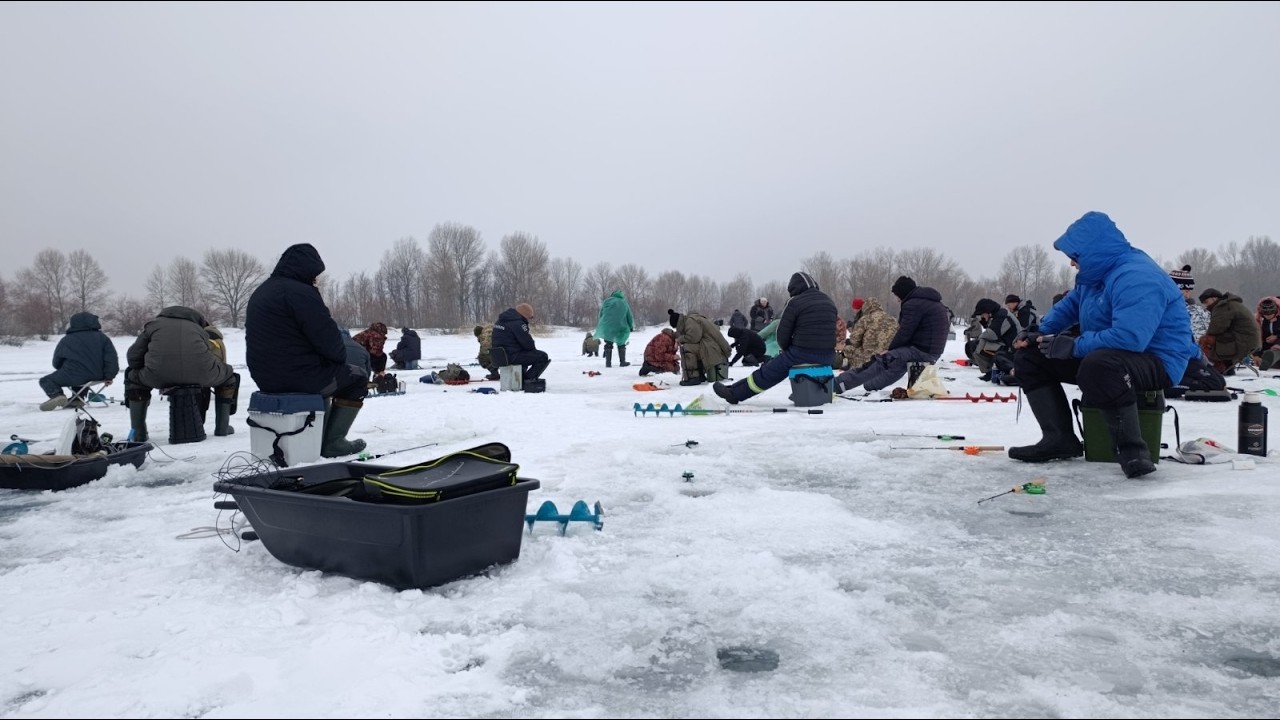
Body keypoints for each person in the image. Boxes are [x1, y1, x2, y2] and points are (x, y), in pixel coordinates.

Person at [1008, 211, 1201, 479]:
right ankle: (1059, 439)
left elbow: (1130, 338)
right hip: (1108, 356)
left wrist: (1072, 346)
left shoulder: (1137, 276)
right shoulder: (1094, 277)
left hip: (1157, 361)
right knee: (1031, 357)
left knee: (1099, 364)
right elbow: (1070, 306)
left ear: (1092, 252)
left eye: (1074, 258)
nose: (1073, 265)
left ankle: (1132, 451)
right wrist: (1039, 332)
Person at [245, 243, 367, 458]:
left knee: (325, 376)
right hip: (298, 378)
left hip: (265, 378)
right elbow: (333, 346)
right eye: (315, 275)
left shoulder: (262, 291)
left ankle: (314, 436)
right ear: (309, 270)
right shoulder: (302, 293)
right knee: (356, 377)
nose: (316, 280)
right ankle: (332, 442)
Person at [713, 271, 836, 404]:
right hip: (828, 355)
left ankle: (734, 393)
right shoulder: (828, 301)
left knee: (769, 371)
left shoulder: (794, 302)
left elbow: (782, 335)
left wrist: (786, 350)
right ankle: (809, 392)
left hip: (803, 352)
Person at [123, 306, 239, 440]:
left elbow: (133, 357)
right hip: (201, 376)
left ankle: (138, 433)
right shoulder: (199, 329)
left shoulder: (153, 326)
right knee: (229, 377)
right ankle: (222, 427)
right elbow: (207, 354)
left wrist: (142, 368)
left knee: (134, 379)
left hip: (158, 376)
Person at [833, 276, 948, 395]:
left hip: (921, 350)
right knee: (897, 363)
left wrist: (889, 350)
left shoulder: (913, 304)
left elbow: (904, 332)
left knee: (883, 360)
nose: (897, 300)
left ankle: (837, 384)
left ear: (903, 292)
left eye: (897, 296)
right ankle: (871, 386)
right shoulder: (932, 302)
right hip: (932, 351)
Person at [38, 311, 119, 411]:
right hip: (99, 375)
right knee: (79, 376)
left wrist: (62, 369)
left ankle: (57, 395)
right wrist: (109, 376)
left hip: (74, 375)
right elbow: (111, 358)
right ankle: (77, 399)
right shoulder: (103, 338)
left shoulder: (67, 339)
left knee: (46, 380)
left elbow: (56, 361)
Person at [1197, 288, 1261, 375]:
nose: (1206, 305)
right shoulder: (1229, 304)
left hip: (1243, 341)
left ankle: (1218, 366)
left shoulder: (1223, 307)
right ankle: (1225, 365)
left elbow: (1216, 329)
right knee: (1212, 339)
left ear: (1214, 299)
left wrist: (1203, 338)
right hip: (1248, 340)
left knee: (1206, 340)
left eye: (1206, 302)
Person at [668, 308, 731, 386]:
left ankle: (693, 377)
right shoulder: (691, 319)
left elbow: (693, 338)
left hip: (710, 347)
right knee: (689, 346)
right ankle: (699, 375)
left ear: (678, 323)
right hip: (710, 346)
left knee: (686, 348)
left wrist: (679, 339)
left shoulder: (690, 321)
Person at [492, 303, 550, 388]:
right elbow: (529, 345)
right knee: (542, 356)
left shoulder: (501, 321)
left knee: (524, 355)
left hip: (498, 357)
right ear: (525, 315)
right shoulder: (518, 323)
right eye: (529, 318)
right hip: (511, 356)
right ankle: (526, 381)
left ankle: (520, 379)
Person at [845, 296, 898, 370]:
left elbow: (854, 340)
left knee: (848, 348)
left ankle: (854, 368)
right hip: (889, 356)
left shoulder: (865, 319)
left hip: (869, 357)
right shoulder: (893, 319)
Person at [1168, 265, 1209, 343]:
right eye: (1186, 291)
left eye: (1189, 291)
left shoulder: (1195, 311)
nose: (1188, 295)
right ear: (1175, 289)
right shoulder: (1168, 309)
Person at [594, 290, 635, 368]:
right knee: (621, 343)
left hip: (608, 326)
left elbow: (601, 314)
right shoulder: (624, 303)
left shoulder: (607, 301)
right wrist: (631, 326)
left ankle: (608, 363)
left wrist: (602, 324)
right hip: (621, 326)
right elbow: (629, 316)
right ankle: (622, 362)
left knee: (608, 344)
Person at [1253, 297, 1280, 370]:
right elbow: (1259, 337)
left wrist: (1277, 336)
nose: (1268, 316)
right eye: (1266, 315)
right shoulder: (1262, 321)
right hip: (1268, 346)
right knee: (1261, 346)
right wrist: (1256, 354)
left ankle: (1271, 357)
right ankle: (1265, 360)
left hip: (1278, 346)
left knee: (1277, 348)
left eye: (1270, 314)